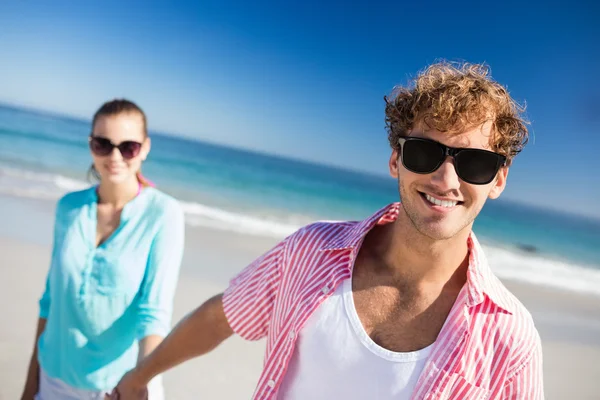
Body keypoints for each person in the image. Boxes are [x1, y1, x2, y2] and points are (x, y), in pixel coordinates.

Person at [111, 62, 544, 400]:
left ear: (498, 179)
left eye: (473, 163)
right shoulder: (310, 252)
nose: (445, 179)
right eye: (426, 152)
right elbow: (221, 317)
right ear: (396, 160)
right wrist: (139, 376)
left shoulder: (511, 339)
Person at [20, 99, 185, 400]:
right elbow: (50, 301)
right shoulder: (68, 208)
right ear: (90, 144)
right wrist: (30, 386)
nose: (115, 156)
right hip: (54, 380)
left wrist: (140, 383)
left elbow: (154, 313)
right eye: (103, 144)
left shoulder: (164, 214)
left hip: (118, 387)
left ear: (145, 148)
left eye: (128, 147)